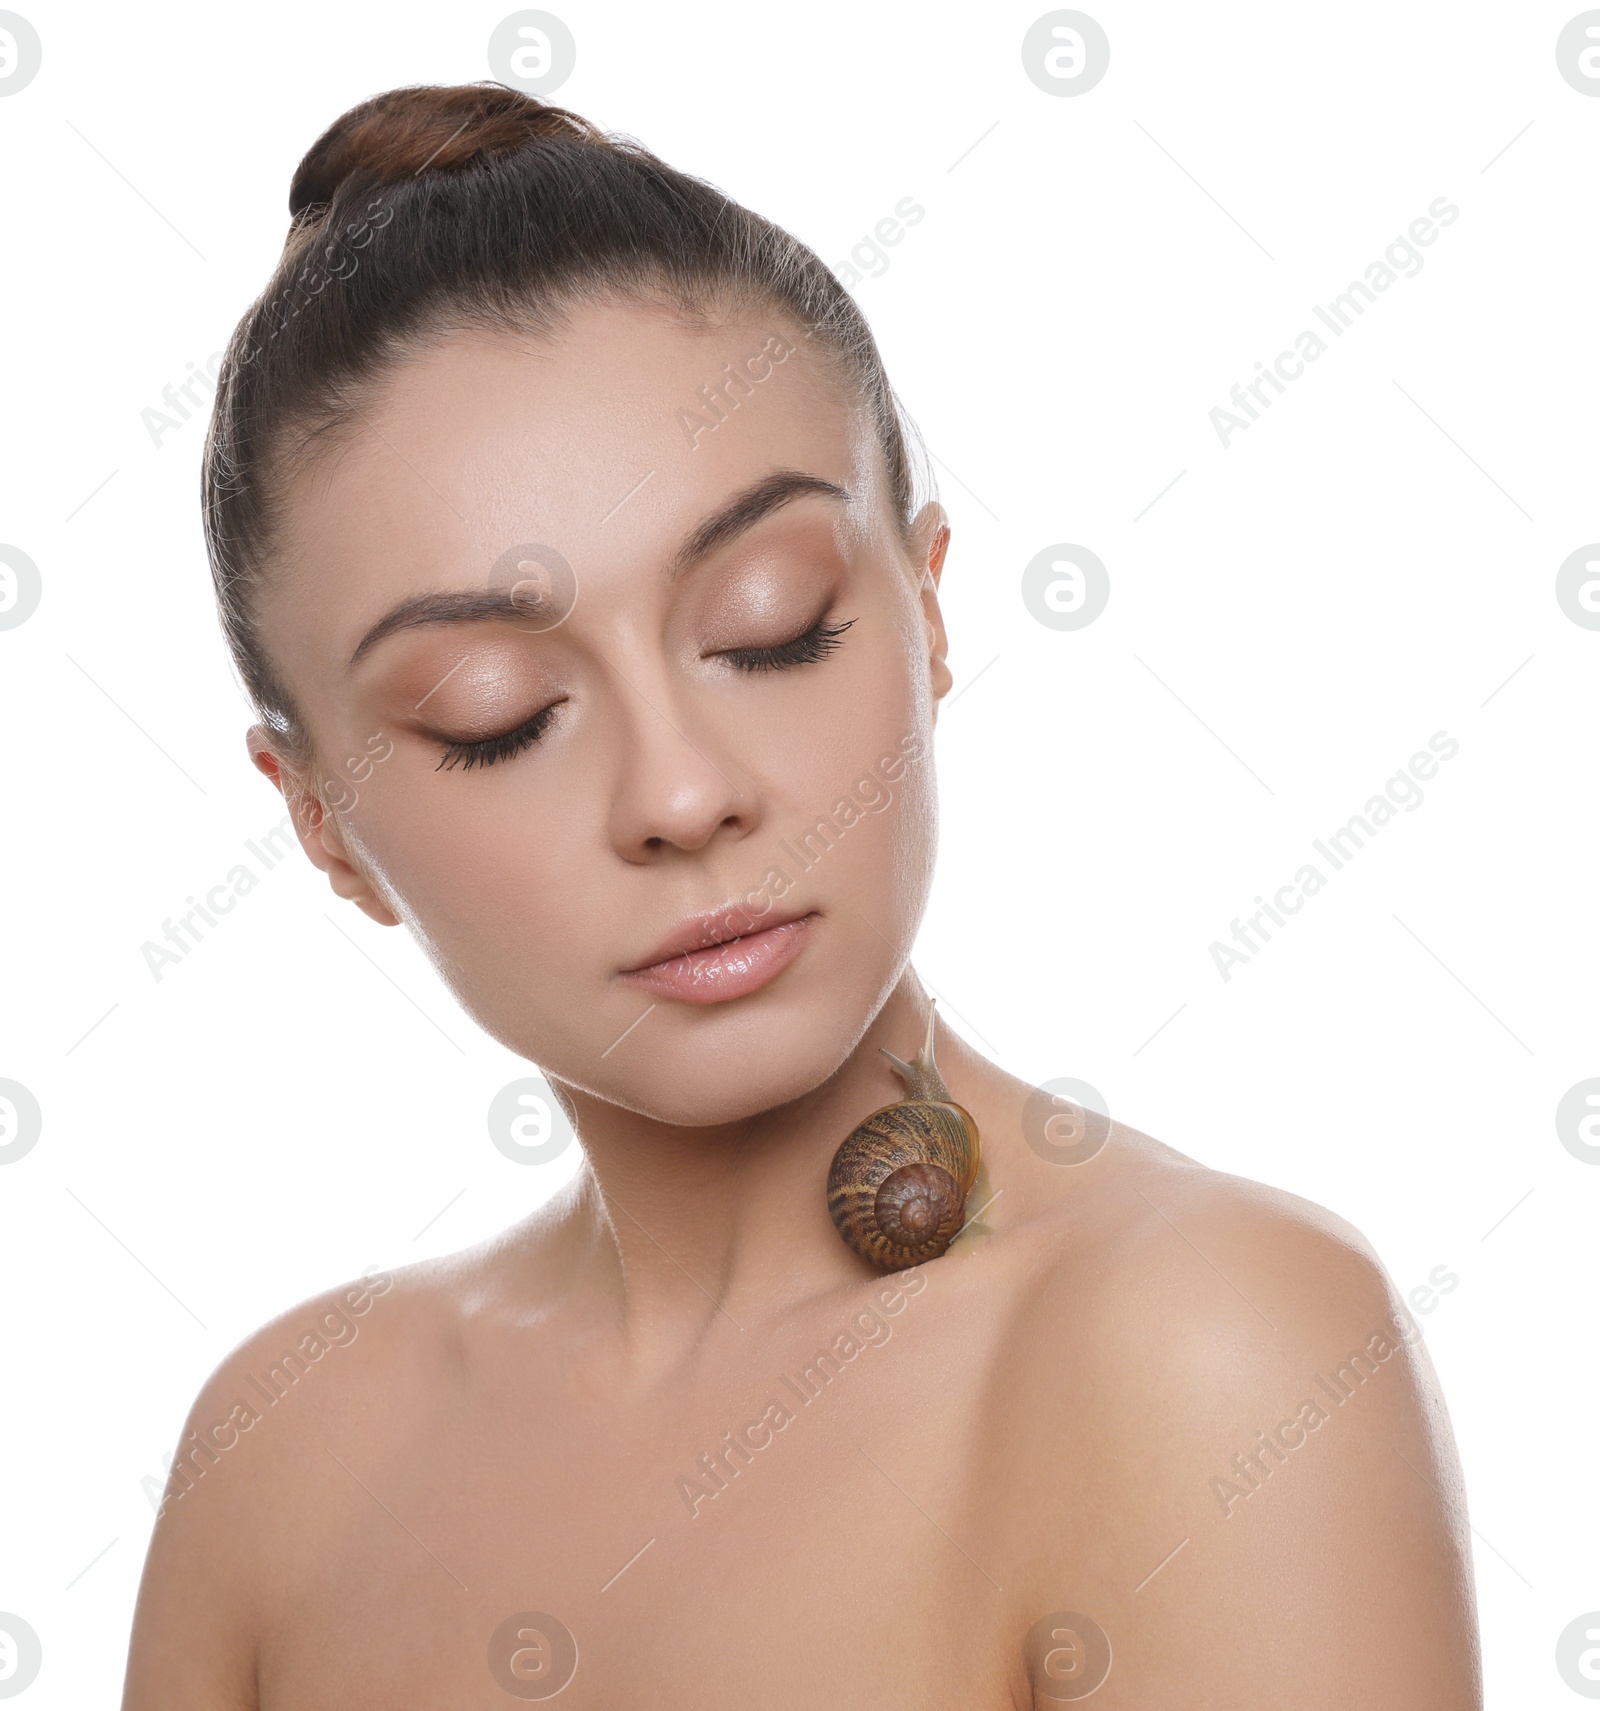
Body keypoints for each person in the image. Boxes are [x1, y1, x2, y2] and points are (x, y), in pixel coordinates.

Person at [121, 82, 1481, 1708]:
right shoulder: (284, 1463)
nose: (686, 794)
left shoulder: (1209, 1358)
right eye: (498, 714)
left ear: (926, 607)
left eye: (771, 627)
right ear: (325, 826)